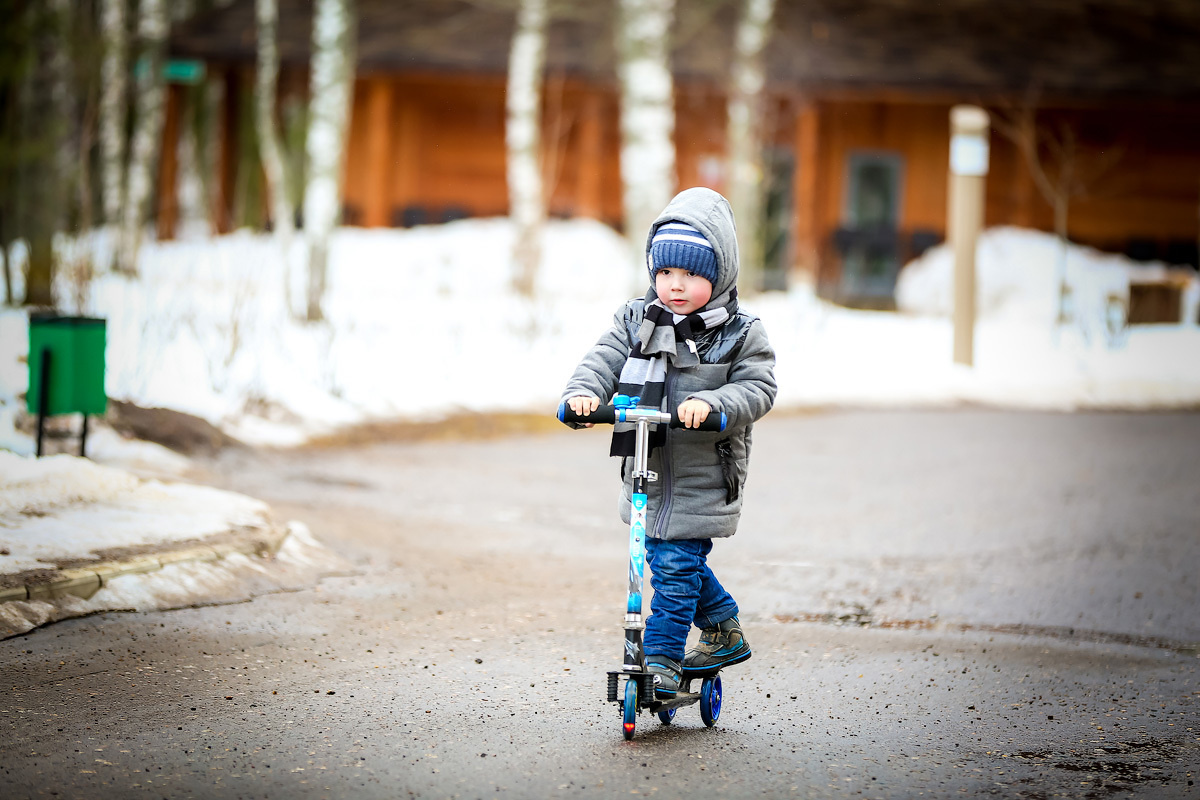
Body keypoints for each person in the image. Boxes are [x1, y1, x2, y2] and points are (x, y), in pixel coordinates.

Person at [561, 186, 777, 698]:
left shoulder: (739, 332)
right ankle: (723, 627)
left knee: (676, 569)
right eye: (665, 274)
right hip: (648, 466)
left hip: (704, 473)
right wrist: (584, 395)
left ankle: (660, 661)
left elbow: (759, 386)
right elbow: (602, 360)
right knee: (666, 561)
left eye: (691, 275)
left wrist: (716, 405)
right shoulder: (637, 319)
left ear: (719, 275)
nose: (674, 287)